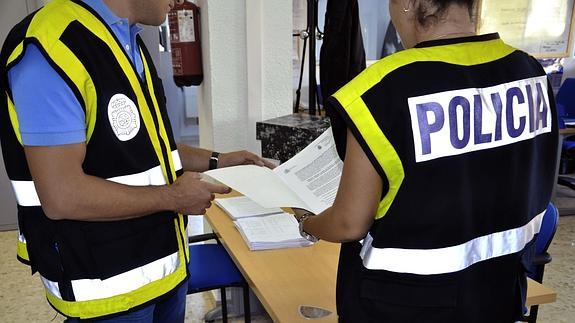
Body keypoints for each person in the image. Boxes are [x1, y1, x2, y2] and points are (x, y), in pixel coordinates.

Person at [0, 0, 272, 321]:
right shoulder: (52, 47)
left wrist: (220, 160)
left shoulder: (128, 41)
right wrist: (174, 197)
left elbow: (151, 150)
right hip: (107, 291)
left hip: (163, 270)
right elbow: (62, 196)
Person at [295, 0, 558, 321]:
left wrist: (308, 224)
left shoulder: (380, 91)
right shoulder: (529, 71)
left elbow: (349, 223)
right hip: (498, 294)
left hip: (401, 305)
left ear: (408, 3)